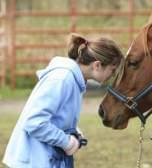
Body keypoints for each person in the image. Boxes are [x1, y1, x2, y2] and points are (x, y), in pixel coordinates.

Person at [2, 33, 124, 168]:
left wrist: (73, 131)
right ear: (97, 65)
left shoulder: (76, 81)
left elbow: (57, 116)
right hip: (34, 162)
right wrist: (66, 142)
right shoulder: (62, 79)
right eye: (112, 70)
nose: (112, 76)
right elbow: (34, 122)